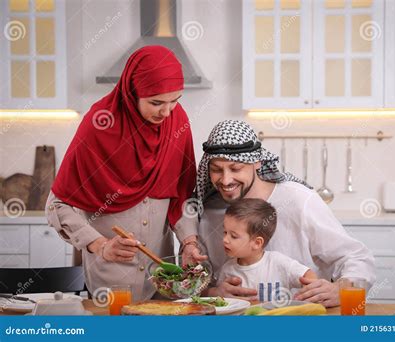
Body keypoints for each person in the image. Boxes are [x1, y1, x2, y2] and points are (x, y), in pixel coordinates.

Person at [45, 46, 204, 301]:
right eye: (156, 102)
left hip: (162, 281)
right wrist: (100, 246)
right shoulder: (99, 123)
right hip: (109, 282)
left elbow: (182, 195)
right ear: (132, 92)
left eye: (175, 100)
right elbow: (57, 205)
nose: (166, 112)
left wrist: (189, 242)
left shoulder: (176, 122)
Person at [196, 120, 375, 308]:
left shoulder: (298, 199)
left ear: (257, 162)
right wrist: (212, 292)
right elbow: (196, 280)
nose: (225, 180)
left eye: (235, 168)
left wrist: (340, 288)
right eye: (216, 170)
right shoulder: (208, 213)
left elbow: (357, 258)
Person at [217, 198, 318, 302]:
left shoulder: (277, 262)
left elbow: (308, 274)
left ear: (257, 243)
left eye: (233, 236)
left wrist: (310, 292)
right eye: (225, 232)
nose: (225, 240)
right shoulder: (227, 270)